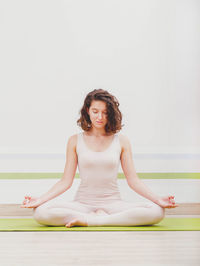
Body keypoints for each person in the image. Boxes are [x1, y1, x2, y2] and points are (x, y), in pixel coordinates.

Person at [21, 89, 179, 227]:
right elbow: (65, 181)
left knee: (157, 212)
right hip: (82, 204)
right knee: (40, 212)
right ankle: (94, 217)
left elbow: (133, 180)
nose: (100, 117)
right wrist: (39, 199)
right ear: (88, 111)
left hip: (113, 204)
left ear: (110, 114)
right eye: (95, 111)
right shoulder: (74, 140)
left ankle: (93, 221)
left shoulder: (121, 141)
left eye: (105, 112)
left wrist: (158, 199)